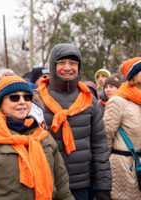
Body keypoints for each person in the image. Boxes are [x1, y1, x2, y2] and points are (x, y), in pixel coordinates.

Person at [36, 43, 112, 200]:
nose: (67, 68)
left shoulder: (89, 101)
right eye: (61, 63)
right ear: (52, 65)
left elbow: (99, 146)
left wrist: (104, 186)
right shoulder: (36, 99)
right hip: (45, 184)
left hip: (80, 186)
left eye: (73, 63)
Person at [104, 57, 141, 199]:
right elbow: (107, 134)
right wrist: (104, 168)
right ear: (134, 75)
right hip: (123, 165)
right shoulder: (118, 100)